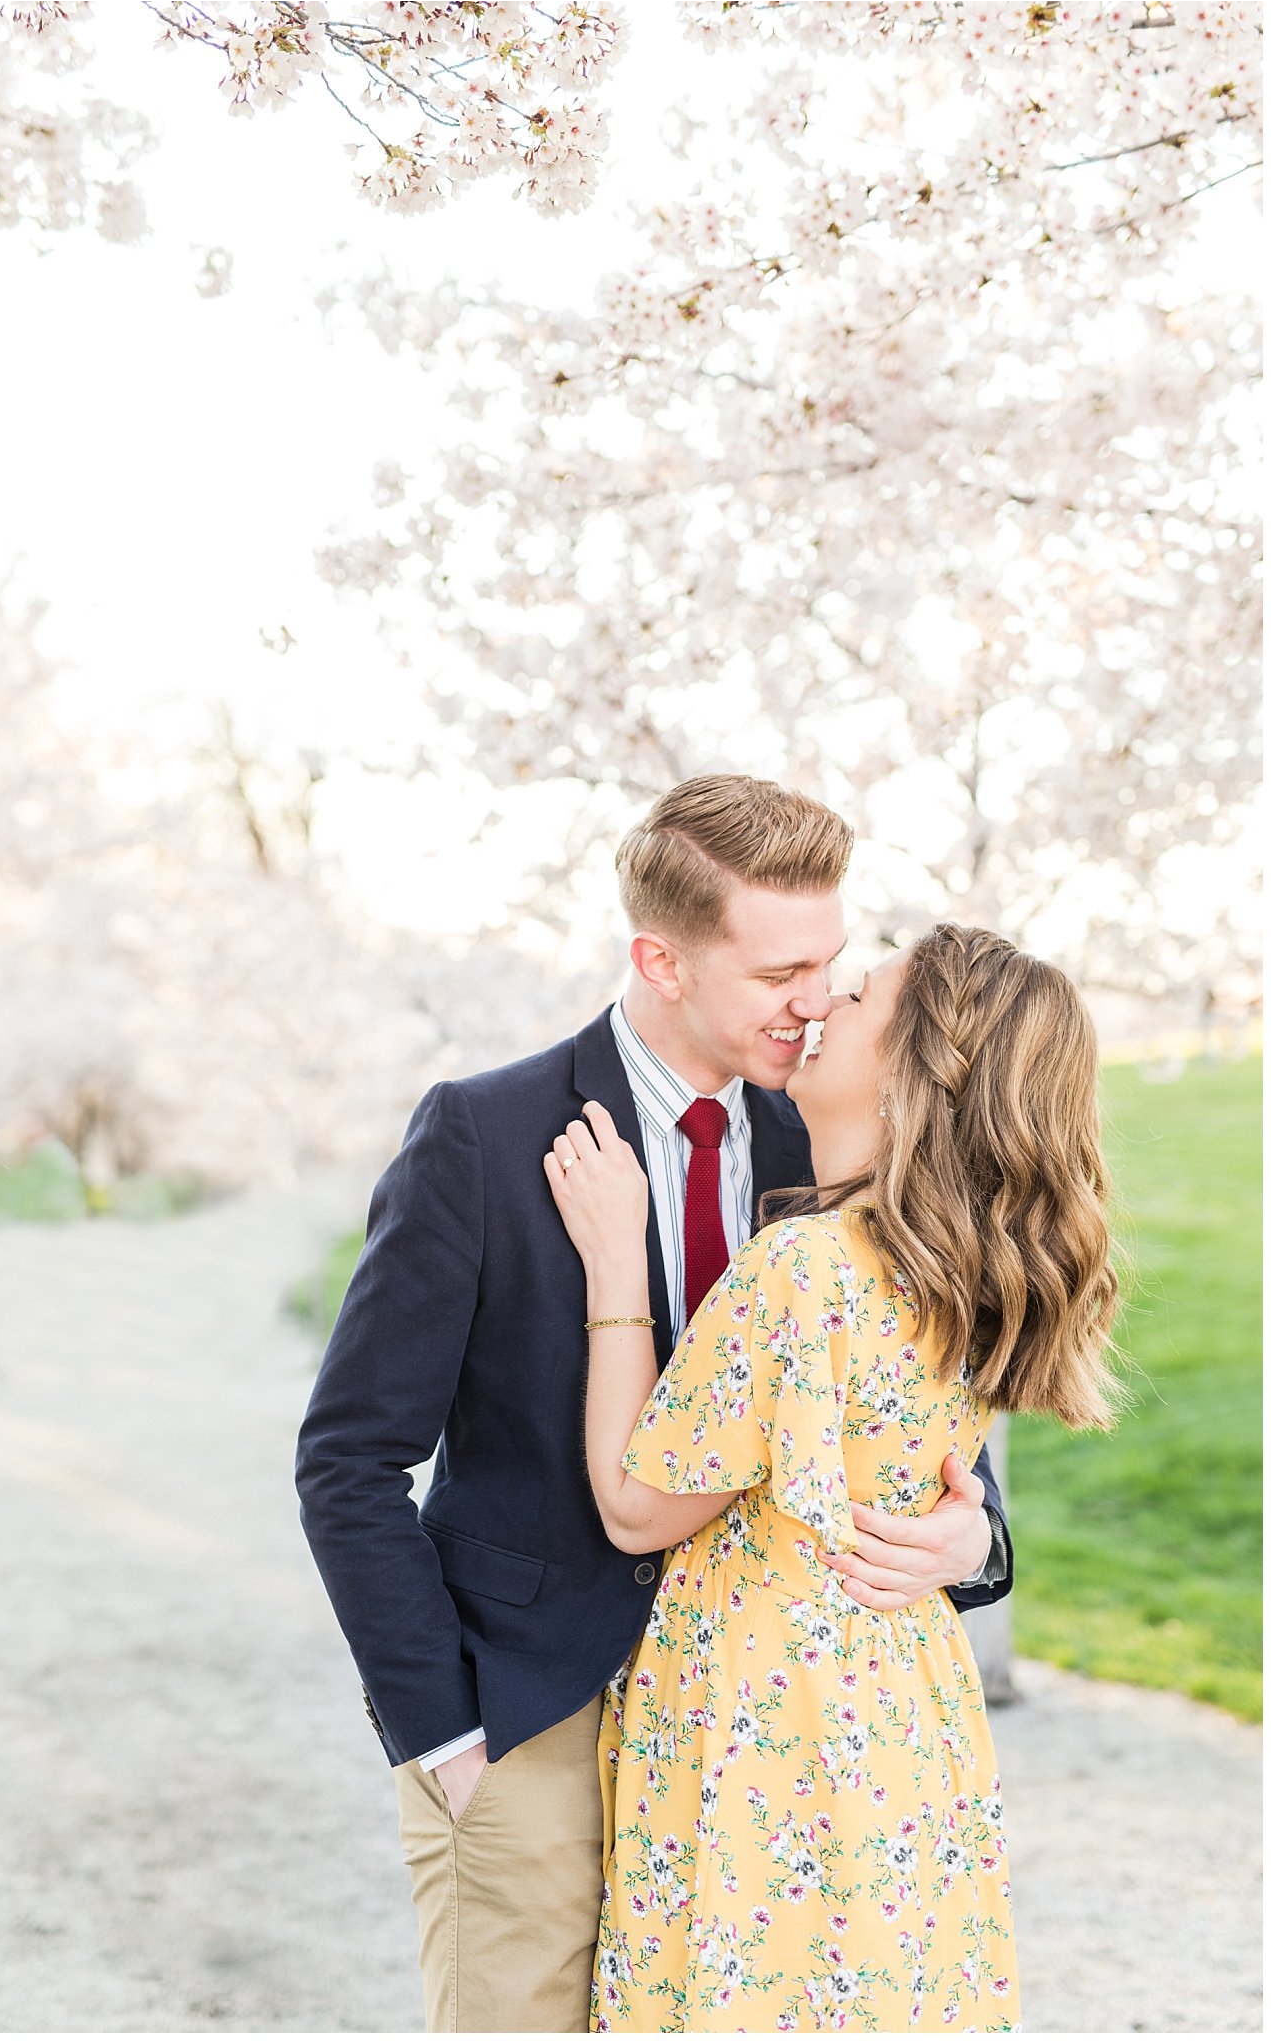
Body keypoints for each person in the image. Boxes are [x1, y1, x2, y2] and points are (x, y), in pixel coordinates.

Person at [295, 776, 1012, 2035]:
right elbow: (349, 1459)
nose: (816, 999)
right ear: (660, 959)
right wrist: (444, 1734)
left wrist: (975, 1535)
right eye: (779, 968)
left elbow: (898, 1395)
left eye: (832, 962)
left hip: (760, 1738)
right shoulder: (483, 1133)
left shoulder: (834, 1134)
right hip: (532, 1709)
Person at [545, 921, 1121, 2033]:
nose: (819, 1007)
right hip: (906, 1703)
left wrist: (616, 1262)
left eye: (855, 999)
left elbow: (635, 1505)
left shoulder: (802, 1264)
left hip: (775, 1712)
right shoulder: (963, 1265)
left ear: (913, 1074)